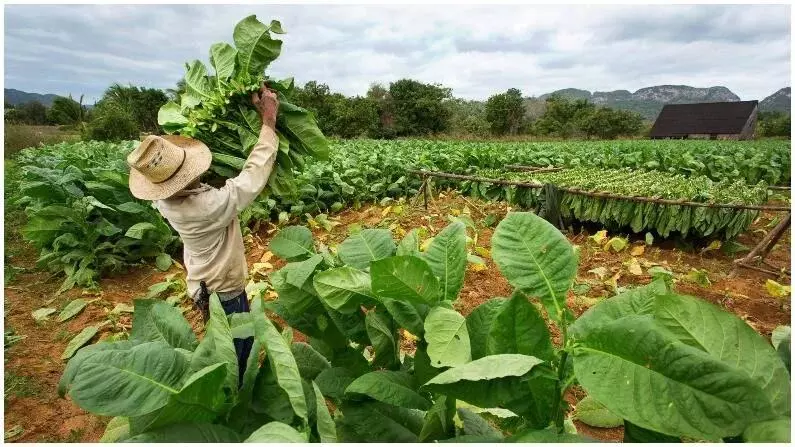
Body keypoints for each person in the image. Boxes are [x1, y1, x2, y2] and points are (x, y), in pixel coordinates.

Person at [126, 84, 279, 385]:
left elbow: (201, 185)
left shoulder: (164, 201)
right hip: (225, 293)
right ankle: (234, 398)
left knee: (219, 341)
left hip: (201, 285)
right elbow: (252, 177)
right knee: (238, 356)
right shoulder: (206, 207)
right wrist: (269, 122)